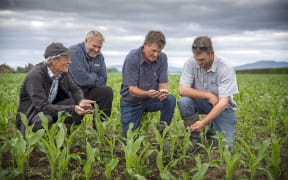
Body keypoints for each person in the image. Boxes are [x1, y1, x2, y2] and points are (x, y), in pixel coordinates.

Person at [16, 42, 96, 135]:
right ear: (54, 61)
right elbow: (42, 107)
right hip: (32, 115)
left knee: (76, 103)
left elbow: (75, 89)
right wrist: (73, 109)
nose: (70, 62)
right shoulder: (35, 76)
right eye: (66, 58)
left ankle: (63, 140)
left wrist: (81, 100)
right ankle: (32, 145)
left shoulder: (62, 72)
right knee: (45, 119)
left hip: (50, 108)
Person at [177, 36, 238, 150]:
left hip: (221, 107)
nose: (198, 63)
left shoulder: (225, 68)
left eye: (202, 60)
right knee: (184, 101)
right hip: (200, 102)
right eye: (196, 58)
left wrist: (203, 122)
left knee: (226, 147)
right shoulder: (190, 63)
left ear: (211, 53)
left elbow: (223, 103)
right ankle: (194, 139)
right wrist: (208, 95)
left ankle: (212, 127)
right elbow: (183, 90)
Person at [120, 30, 176, 139]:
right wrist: (148, 94)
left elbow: (163, 83)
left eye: (159, 51)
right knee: (130, 141)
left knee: (170, 99)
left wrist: (163, 92)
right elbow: (132, 90)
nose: (156, 54)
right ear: (145, 44)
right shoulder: (132, 58)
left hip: (151, 100)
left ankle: (162, 135)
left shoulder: (162, 58)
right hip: (132, 102)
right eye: (153, 50)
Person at [69, 30, 113, 127]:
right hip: (72, 93)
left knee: (106, 91)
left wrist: (89, 78)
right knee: (71, 124)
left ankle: (100, 127)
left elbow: (103, 79)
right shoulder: (73, 52)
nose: (97, 50)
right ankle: (69, 124)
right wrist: (94, 76)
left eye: (99, 47)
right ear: (86, 41)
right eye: (94, 46)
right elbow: (81, 79)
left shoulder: (99, 56)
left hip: (88, 90)